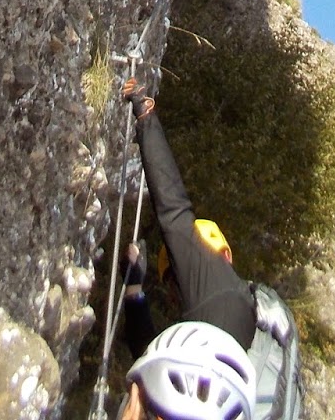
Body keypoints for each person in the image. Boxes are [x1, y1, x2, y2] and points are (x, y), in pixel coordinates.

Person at [117, 79, 259, 420]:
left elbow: (173, 210)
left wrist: (145, 116)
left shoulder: (212, 287)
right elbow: (155, 358)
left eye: (171, 281)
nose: (172, 292)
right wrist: (134, 290)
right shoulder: (227, 316)